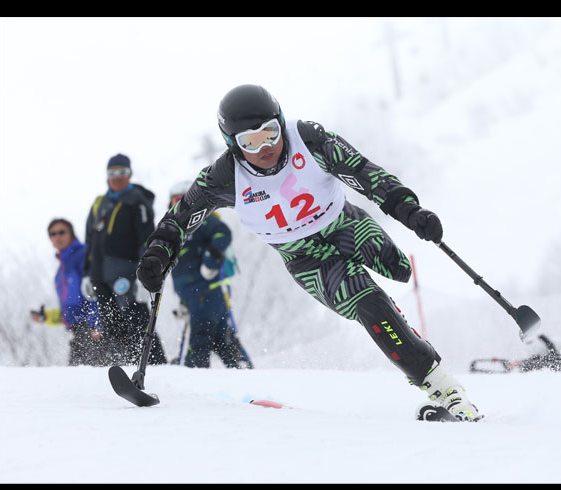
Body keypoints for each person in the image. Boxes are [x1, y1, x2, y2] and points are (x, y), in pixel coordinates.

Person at [137, 84, 482, 422]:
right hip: (306, 258)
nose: (265, 147)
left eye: (270, 132)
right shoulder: (225, 177)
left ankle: (396, 321)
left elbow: (365, 173)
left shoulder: (309, 139)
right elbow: (178, 220)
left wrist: (409, 210)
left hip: (345, 225)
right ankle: (444, 387)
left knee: (398, 267)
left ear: (280, 121)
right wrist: (158, 253)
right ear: (232, 144)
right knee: (369, 304)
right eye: (250, 141)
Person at [83, 153, 167, 365]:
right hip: (100, 276)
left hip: (127, 276)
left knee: (138, 321)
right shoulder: (99, 204)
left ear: (130, 174)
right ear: (106, 176)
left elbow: (146, 242)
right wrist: (86, 273)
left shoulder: (138, 203)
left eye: (122, 172)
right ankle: (121, 367)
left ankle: (158, 366)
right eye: (112, 173)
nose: (117, 177)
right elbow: (90, 241)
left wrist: (144, 276)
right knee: (112, 327)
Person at [168, 180, 253, 368]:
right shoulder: (176, 230)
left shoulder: (201, 220)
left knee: (200, 337)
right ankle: (244, 372)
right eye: (176, 200)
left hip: (207, 291)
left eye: (184, 199)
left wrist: (210, 259)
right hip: (194, 296)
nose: (181, 204)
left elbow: (222, 233)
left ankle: (195, 377)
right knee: (221, 336)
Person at [30, 219, 104, 365]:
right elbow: (71, 307)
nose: (58, 237)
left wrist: (96, 323)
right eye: (53, 234)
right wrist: (47, 316)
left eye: (62, 232)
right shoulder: (61, 271)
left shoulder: (84, 255)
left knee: (99, 378)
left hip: (94, 330)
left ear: (71, 234)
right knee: (75, 380)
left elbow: (96, 290)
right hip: (79, 333)